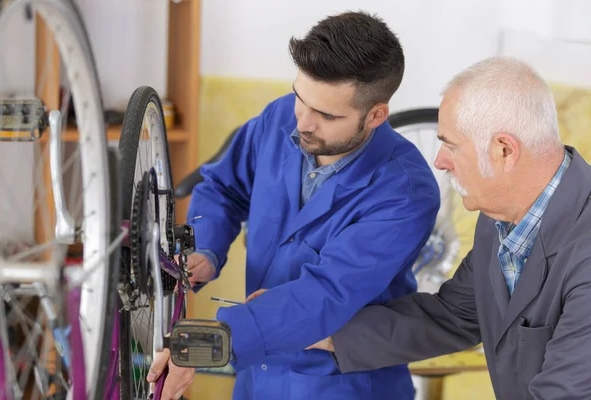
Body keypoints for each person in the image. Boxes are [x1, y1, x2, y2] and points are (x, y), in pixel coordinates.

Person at [147, 10, 441, 400]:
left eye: (326, 115)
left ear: (375, 115)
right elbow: (221, 186)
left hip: (342, 386)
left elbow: (324, 294)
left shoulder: (405, 192)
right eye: (301, 98)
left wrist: (209, 344)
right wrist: (206, 249)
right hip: (258, 380)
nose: (302, 122)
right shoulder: (280, 117)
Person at [308, 56, 591, 399]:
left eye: (451, 145)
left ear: (504, 150)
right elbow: (454, 315)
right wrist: (321, 328)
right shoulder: (500, 218)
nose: (440, 161)